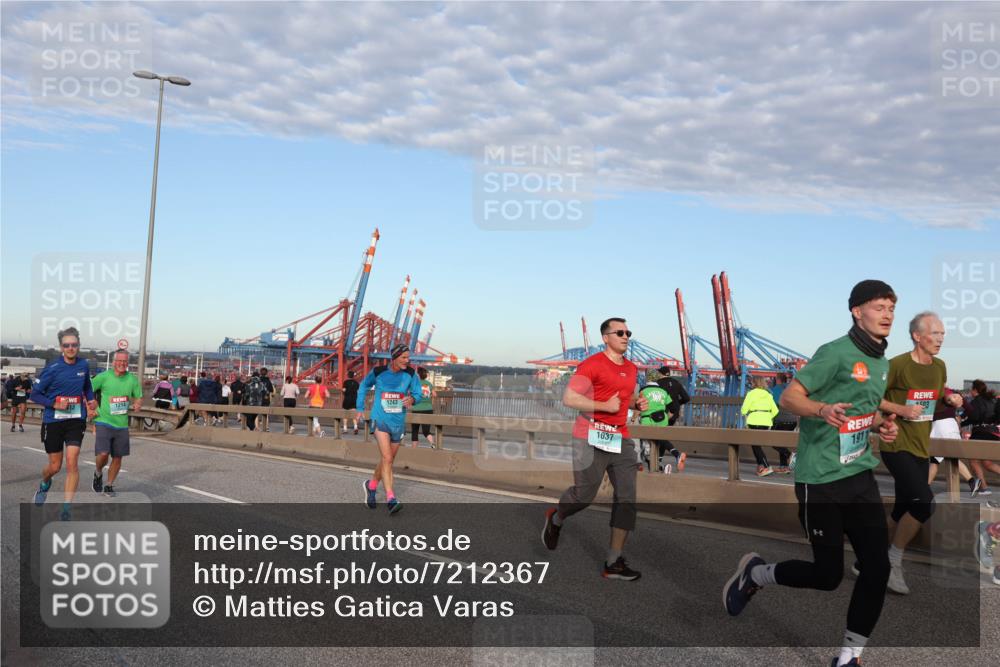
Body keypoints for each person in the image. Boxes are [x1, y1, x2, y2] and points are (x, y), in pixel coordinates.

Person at [723, 279, 900, 667]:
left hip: (859, 476)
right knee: (827, 574)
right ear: (857, 311)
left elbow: (861, 412)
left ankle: (849, 657)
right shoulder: (836, 353)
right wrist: (821, 410)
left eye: (892, 307)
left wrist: (881, 425)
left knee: (878, 567)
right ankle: (756, 574)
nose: (888, 313)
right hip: (820, 479)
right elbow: (788, 397)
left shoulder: (880, 361)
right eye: (879, 306)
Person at [542, 317, 648, 581]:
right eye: (620, 332)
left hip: (620, 439)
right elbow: (569, 398)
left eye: (628, 332)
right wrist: (605, 407)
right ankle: (556, 517)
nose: (626, 336)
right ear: (606, 337)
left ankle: (613, 561)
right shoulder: (591, 364)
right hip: (589, 436)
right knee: (584, 495)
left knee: (627, 497)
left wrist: (636, 404)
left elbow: (624, 398)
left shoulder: (633, 369)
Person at [871, 311, 948, 595]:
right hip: (895, 443)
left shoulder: (939, 366)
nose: (940, 339)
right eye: (935, 333)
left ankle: (871, 561)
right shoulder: (897, 365)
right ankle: (892, 562)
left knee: (903, 508)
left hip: (919, 446)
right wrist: (901, 410)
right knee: (924, 504)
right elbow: (871, 397)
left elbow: (931, 402)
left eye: (942, 334)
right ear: (917, 336)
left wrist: (948, 398)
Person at [28, 327, 97, 520]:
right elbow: (34, 394)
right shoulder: (52, 368)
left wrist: (90, 400)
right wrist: (54, 403)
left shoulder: (83, 365)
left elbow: (87, 387)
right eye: (67, 345)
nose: (71, 348)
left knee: (72, 461)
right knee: (55, 467)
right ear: (61, 347)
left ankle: (66, 508)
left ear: (78, 346)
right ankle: (45, 482)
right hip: (54, 421)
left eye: (74, 344)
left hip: (76, 420)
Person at [356, 344, 423, 514]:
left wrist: (413, 400)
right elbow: (363, 385)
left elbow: (418, 393)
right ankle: (391, 498)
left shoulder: (410, 374)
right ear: (394, 357)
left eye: (408, 358)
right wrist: (359, 408)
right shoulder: (378, 372)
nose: (407, 361)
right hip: (380, 419)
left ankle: (371, 486)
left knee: (388, 460)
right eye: (404, 358)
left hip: (398, 422)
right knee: (387, 458)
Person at [90, 349, 143, 497]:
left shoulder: (132, 380)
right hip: (103, 421)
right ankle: (98, 472)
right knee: (103, 453)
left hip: (121, 424)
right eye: (119, 360)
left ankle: (109, 485)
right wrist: (91, 406)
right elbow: (87, 390)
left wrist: (138, 404)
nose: (122, 363)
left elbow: (138, 396)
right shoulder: (103, 377)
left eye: (125, 361)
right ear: (114, 362)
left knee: (117, 457)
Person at [927, 387, 977, 491]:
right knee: (942, 458)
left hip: (941, 428)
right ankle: (972, 481)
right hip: (951, 426)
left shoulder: (939, 391)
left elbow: (948, 398)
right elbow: (971, 410)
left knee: (937, 459)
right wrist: (960, 417)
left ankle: (924, 488)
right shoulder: (953, 391)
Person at [637, 368, 686, 472]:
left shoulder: (643, 390)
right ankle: (675, 455)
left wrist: (633, 419)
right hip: (662, 419)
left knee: (646, 447)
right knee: (661, 440)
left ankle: (654, 466)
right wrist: (666, 417)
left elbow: (638, 406)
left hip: (647, 420)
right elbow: (672, 408)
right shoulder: (663, 391)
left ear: (647, 378)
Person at [740, 376, 788, 476]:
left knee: (756, 446)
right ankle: (762, 466)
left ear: (754, 383)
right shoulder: (768, 394)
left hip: (754, 421)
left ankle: (765, 466)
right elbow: (775, 411)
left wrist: (750, 413)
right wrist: (767, 417)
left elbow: (743, 410)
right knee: (759, 444)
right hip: (766, 422)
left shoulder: (751, 394)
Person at [963, 379, 1000, 494]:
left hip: (980, 433)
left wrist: (961, 423)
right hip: (993, 433)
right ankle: (983, 487)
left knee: (974, 461)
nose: (970, 392)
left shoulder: (975, 402)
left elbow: (974, 417)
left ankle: (984, 488)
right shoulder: (991, 400)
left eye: (971, 389)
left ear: (975, 390)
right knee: (987, 463)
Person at [410, 367, 435, 447]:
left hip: (416, 409)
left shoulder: (415, 384)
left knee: (415, 430)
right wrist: (428, 397)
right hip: (428, 409)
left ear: (418, 375)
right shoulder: (429, 384)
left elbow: (410, 394)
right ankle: (432, 444)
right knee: (426, 431)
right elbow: (434, 394)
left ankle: (414, 450)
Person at [342, 370, 360, 434]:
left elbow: (344, 390)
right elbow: (358, 392)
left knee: (345, 415)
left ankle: (345, 429)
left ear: (348, 375)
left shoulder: (345, 382)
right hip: (354, 400)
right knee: (353, 415)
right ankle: (355, 427)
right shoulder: (357, 383)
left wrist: (345, 393)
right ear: (353, 376)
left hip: (347, 400)